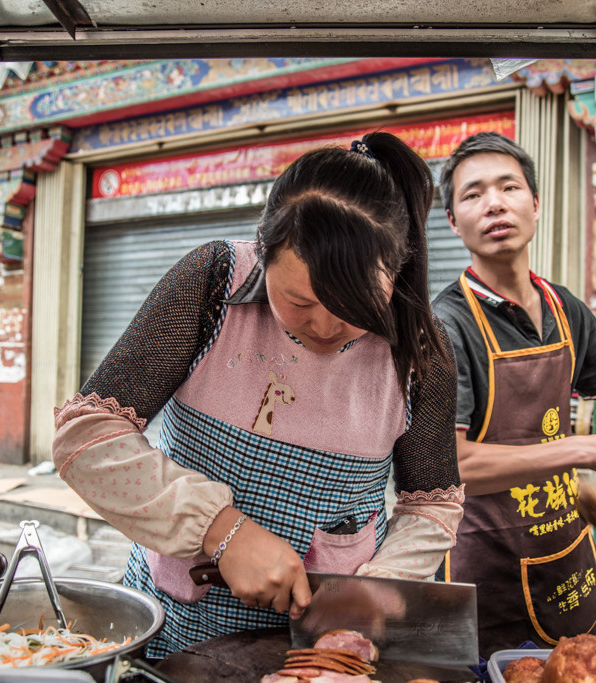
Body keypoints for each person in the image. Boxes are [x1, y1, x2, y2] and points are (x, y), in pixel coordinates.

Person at [53, 131, 465, 658]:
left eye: (357, 305)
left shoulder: (422, 348)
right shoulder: (213, 284)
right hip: (173, 620)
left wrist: (376, 588)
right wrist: (221, 531)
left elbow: (430, 507)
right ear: (263, 251)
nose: (326, 324)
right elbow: (87, 439)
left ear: (398, 271)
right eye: (300, 300)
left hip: (322, 644)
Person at [431, 132, 596, 657]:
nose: (493, 204)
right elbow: (455, 463)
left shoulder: (565, 308)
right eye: (472, 195)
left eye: (508, 187)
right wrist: (586, 450)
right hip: (485, 567)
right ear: (452, 221)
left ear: (535, 204)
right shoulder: (446, 324)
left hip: (566, 551)